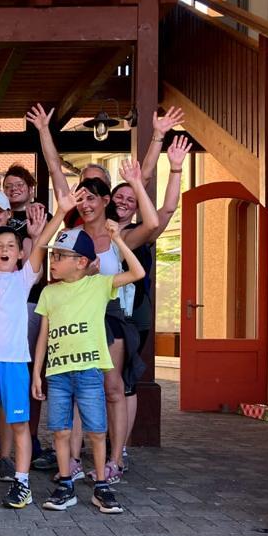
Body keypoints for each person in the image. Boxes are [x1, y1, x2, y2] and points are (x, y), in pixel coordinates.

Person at [28, 104, 161, 482]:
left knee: (113, 388)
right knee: (71, 389)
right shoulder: (72, 235)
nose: (84, 204)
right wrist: (44, 131)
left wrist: (151, 150)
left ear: (106, 200)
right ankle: (70, 460)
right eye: (81, 198)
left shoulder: (120, 233)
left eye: (92, 198)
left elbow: (153, 222)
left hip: (110, 318)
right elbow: (56, 173)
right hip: (73, 317)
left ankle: (115, 460)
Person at [33, 210, 147, 515]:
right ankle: (65, 484)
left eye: (60, 255)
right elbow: (43, 336)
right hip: (58, 373)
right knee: (60, 430)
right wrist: (37, 373)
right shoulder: (49, 292)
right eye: (53, 255)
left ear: (81, 262)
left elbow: (137, 273)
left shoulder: (99, 285)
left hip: (89, 372)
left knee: (97, 430)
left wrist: (118, 239)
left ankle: (101, 486)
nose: (53, 260)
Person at [0, 182, 63, 509]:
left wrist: (61, 211)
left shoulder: (23, 279)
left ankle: (22, 483)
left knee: (19, 425)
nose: (4, 249)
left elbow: (42, 243)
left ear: (20, 253)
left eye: (10, 245)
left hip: (15, 365)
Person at [110, 134, 191, 468]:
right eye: (119, 196)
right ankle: (101, 445)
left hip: (131, 316)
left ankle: (120, 449)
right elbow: (140, 176)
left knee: (125, 384)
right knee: (102, 384)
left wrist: (175, 168)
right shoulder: (96, 229)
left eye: (131, 198)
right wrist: (156, 139)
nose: (125, 201)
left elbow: (167, 208)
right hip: (99, 314)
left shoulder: (140, 232)